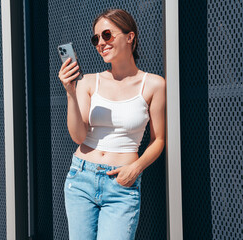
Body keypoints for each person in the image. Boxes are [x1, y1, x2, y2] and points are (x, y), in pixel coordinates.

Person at [58, 8, 166, 240]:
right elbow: (78, 136)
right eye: (95, 38)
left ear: (130, 36)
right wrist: (70, 93)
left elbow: (158, 140)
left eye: (106, 35)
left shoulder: (154, 84)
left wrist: (136, 168)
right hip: (81, 178)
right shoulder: (88, 81)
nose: (100, 43)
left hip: (121, 183)